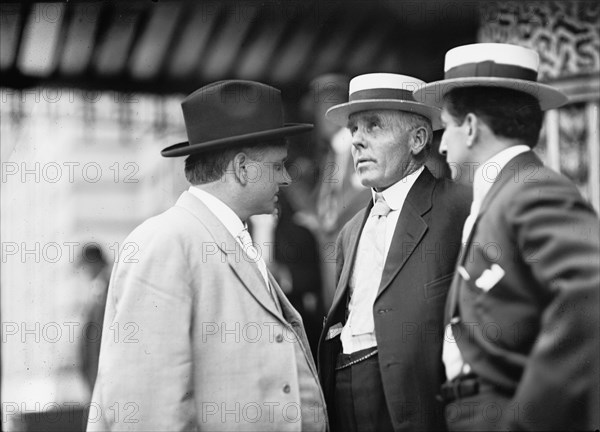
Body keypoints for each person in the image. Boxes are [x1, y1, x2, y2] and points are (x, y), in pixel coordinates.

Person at [88, 80, 327, 431]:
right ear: (242, 169)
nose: (286, 178)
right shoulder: (165, 242)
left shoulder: (215, 236)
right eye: (278, 165)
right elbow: (148, 408)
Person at [414, 43, 600, 431]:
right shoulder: (504, 191)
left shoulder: (531, 189)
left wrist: (529, 419)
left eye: (446, 126)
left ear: (470, 126)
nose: (442, 144)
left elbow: (589, 292)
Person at [318, 73, 471, 432]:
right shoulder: (350, 230)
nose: (357, 140)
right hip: (344, 391)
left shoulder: (460, 207)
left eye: (373, 126)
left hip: (419, 402)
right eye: (355, 128)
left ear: (418, 139)